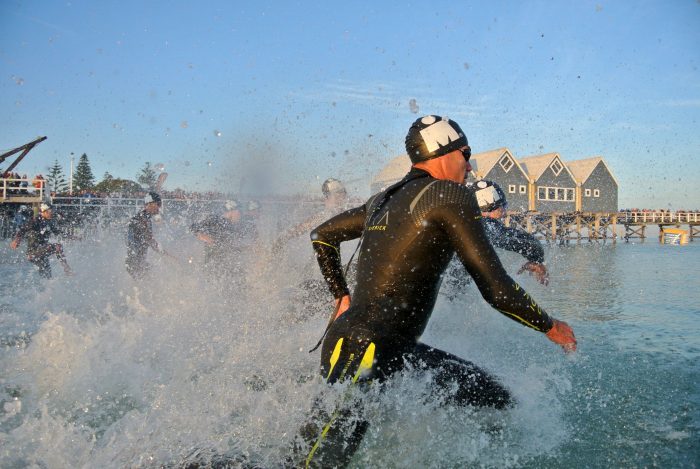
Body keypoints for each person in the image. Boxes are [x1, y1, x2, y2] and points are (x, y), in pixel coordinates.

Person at [294, 115, 577, 467]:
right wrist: (549, 326)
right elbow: (495, 288)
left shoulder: (383, 198)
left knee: (495, 397)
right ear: (443, 153)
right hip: (363, 347)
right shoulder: (450, 194)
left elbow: (322, 235)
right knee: (313, 461)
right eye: (466, 153)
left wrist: (342, 296)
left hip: (395, 349)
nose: (470, 166)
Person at [443, 180, 549, 297]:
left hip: (445, 290)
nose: (505, 212)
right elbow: (525, 243)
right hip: (455, 294)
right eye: (503, 206)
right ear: (491, 206)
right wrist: (537, 260)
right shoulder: (485, 225)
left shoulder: (462, 220)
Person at [10, 202, 73, 278]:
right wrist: (16, 240)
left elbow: (58, 232)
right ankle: (67, 270)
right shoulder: (35, 221)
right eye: (50, 211)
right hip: (33, 252)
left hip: (42, 253)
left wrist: (73, 237)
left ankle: (47, 289)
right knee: (57, 246)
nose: (52, 213)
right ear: (44, 212)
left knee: (47, 277)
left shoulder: (49, 222)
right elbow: (22, 229)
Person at [189, 200, 247, 273]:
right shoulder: (217, 219)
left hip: (227, 262)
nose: (240, 215)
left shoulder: (233, 226)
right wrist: (206, 238)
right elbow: (194, 227)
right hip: (213, 263)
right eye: (239, 211)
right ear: (231, 211)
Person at [125, 192, 164, 279]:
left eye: (160, 204)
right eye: (158, 204)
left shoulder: (144, 217)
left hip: (137, 263)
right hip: (135, 264)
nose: (159, 207)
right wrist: (166, 254)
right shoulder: (141, 219)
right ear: (149, 204)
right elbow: (150, 240)